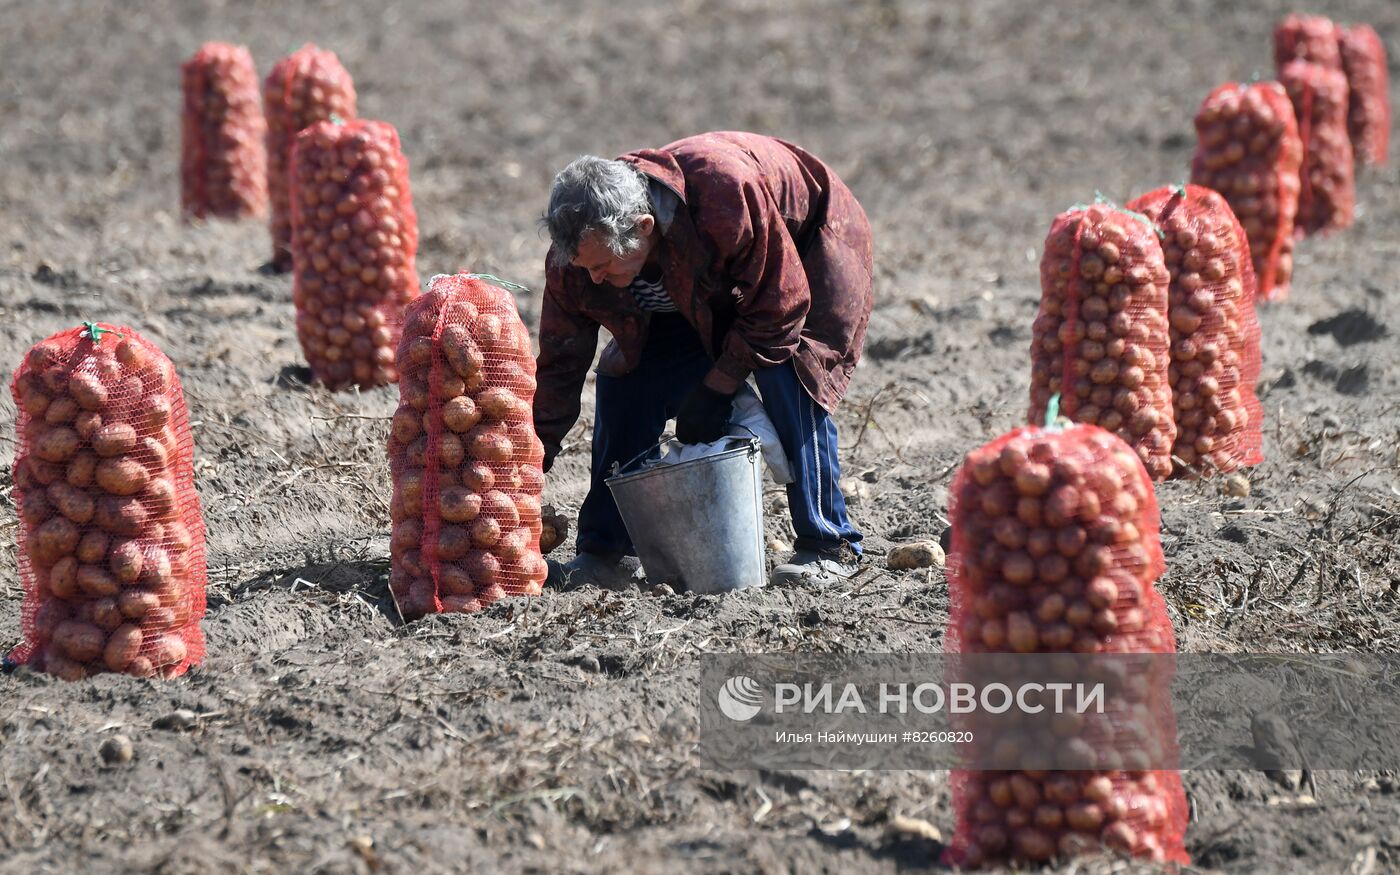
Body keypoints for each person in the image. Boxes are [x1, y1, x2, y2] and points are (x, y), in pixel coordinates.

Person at [534, 131, 874, 589]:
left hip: (806, 251)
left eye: (605, 265)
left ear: (643, 228)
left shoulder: (723, 197)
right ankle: (606, 551)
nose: (595, 278)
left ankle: (830, 543)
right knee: (625, 380)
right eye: (585, 267)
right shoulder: (576, 262)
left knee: (791, 369)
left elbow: (780, 310)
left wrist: (717, 387)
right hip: (695, 292)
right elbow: (560, 363)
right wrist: (531, 456)